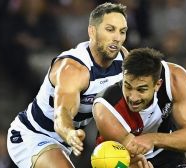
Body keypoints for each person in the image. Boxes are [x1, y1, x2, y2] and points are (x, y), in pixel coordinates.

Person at [7, 2, 129, 168]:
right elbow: (62, 113)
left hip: (66, 143)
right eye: (110, 29)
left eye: (122, 31)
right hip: (34, 135)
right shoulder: (72, 68)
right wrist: (69, 132)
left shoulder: (123, 60)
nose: (117, 37)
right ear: (92, 31)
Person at [93, 48, 186, 168]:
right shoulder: (106, 109)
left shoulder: (174, 79)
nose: (133, 98)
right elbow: (132, 155)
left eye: (141, 89)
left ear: (158, 84)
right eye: (128, 87)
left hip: (166, 149)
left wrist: (153, 139)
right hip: (119, 158)